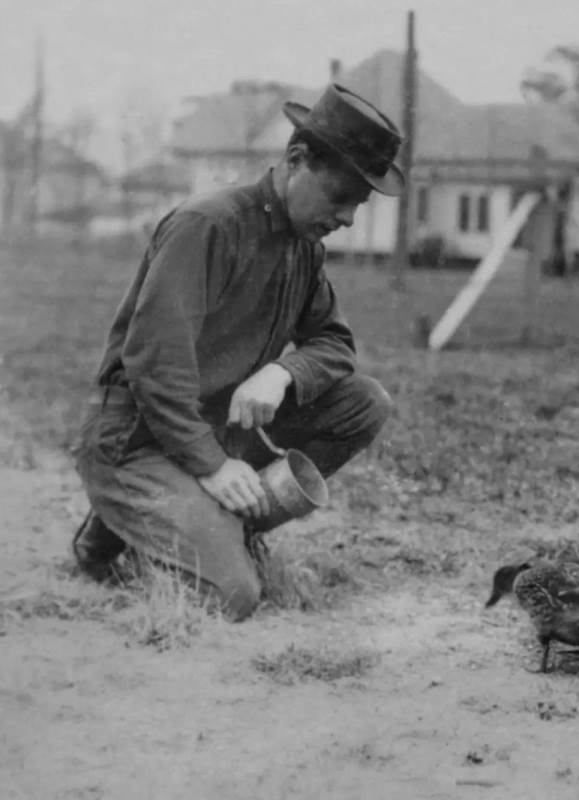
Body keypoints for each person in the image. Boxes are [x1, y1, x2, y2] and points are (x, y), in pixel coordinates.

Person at [70, 83, 403, 621]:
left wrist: (282, 372)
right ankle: (116, 526)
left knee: (364, 401)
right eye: (341, 197)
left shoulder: (304, 249)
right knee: (233, 595)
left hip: (213, 430)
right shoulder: (208, 225)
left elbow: (335, 345)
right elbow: (155, 368)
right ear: (297, 160)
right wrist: (213, 466)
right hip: (135, 437)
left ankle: (208, 524)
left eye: (357, 206)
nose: (347, 219)